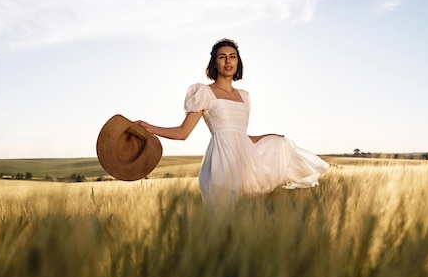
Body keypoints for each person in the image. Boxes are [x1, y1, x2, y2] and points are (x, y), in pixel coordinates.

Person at [135, 38, 329, 207]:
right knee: (222, 218)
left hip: (245, 161)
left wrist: (267, 137)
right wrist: (150, 128)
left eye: (232, 56)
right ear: (214, 63)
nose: (228, 61)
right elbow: (183, 133)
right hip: (221, 160)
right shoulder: (203, 92)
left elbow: (240, 135)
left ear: (238, 61)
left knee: (246, 217)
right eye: (222, 57)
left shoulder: (244, 96)